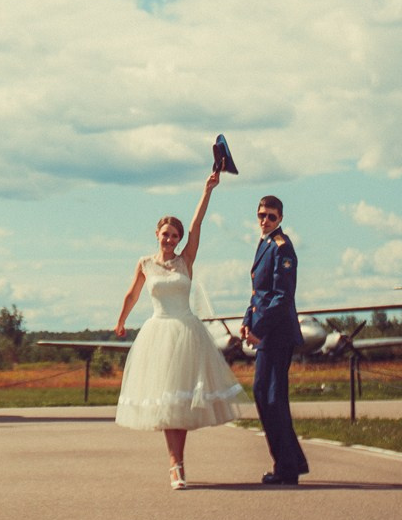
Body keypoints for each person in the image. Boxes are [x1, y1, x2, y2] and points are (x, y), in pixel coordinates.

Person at [113, 166, 246, 489]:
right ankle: (174, 465)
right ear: (157, 234)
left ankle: (179, 464)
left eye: (175, 235)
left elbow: (198, 224)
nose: (170, 239)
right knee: (166, 401)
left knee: (183, 402)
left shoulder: (186, 259)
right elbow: (132, 292)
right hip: (158, 333)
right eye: (166, 234)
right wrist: (121, 320)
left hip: (186, 333)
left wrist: (208, 190)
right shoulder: (145, 263)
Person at [240, 193, 308, 485]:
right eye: (261, 215)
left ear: (280, 218)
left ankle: (286, 468)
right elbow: (259, 293)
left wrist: (260, 328)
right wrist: (246, 322)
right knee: (263, 396)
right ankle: (291, 461)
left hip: (277, 335)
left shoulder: (283, 247)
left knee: (272, 399)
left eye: (271, 216)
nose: (265, 221)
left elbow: (282, 297)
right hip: (265, 334)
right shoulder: (265, 244)